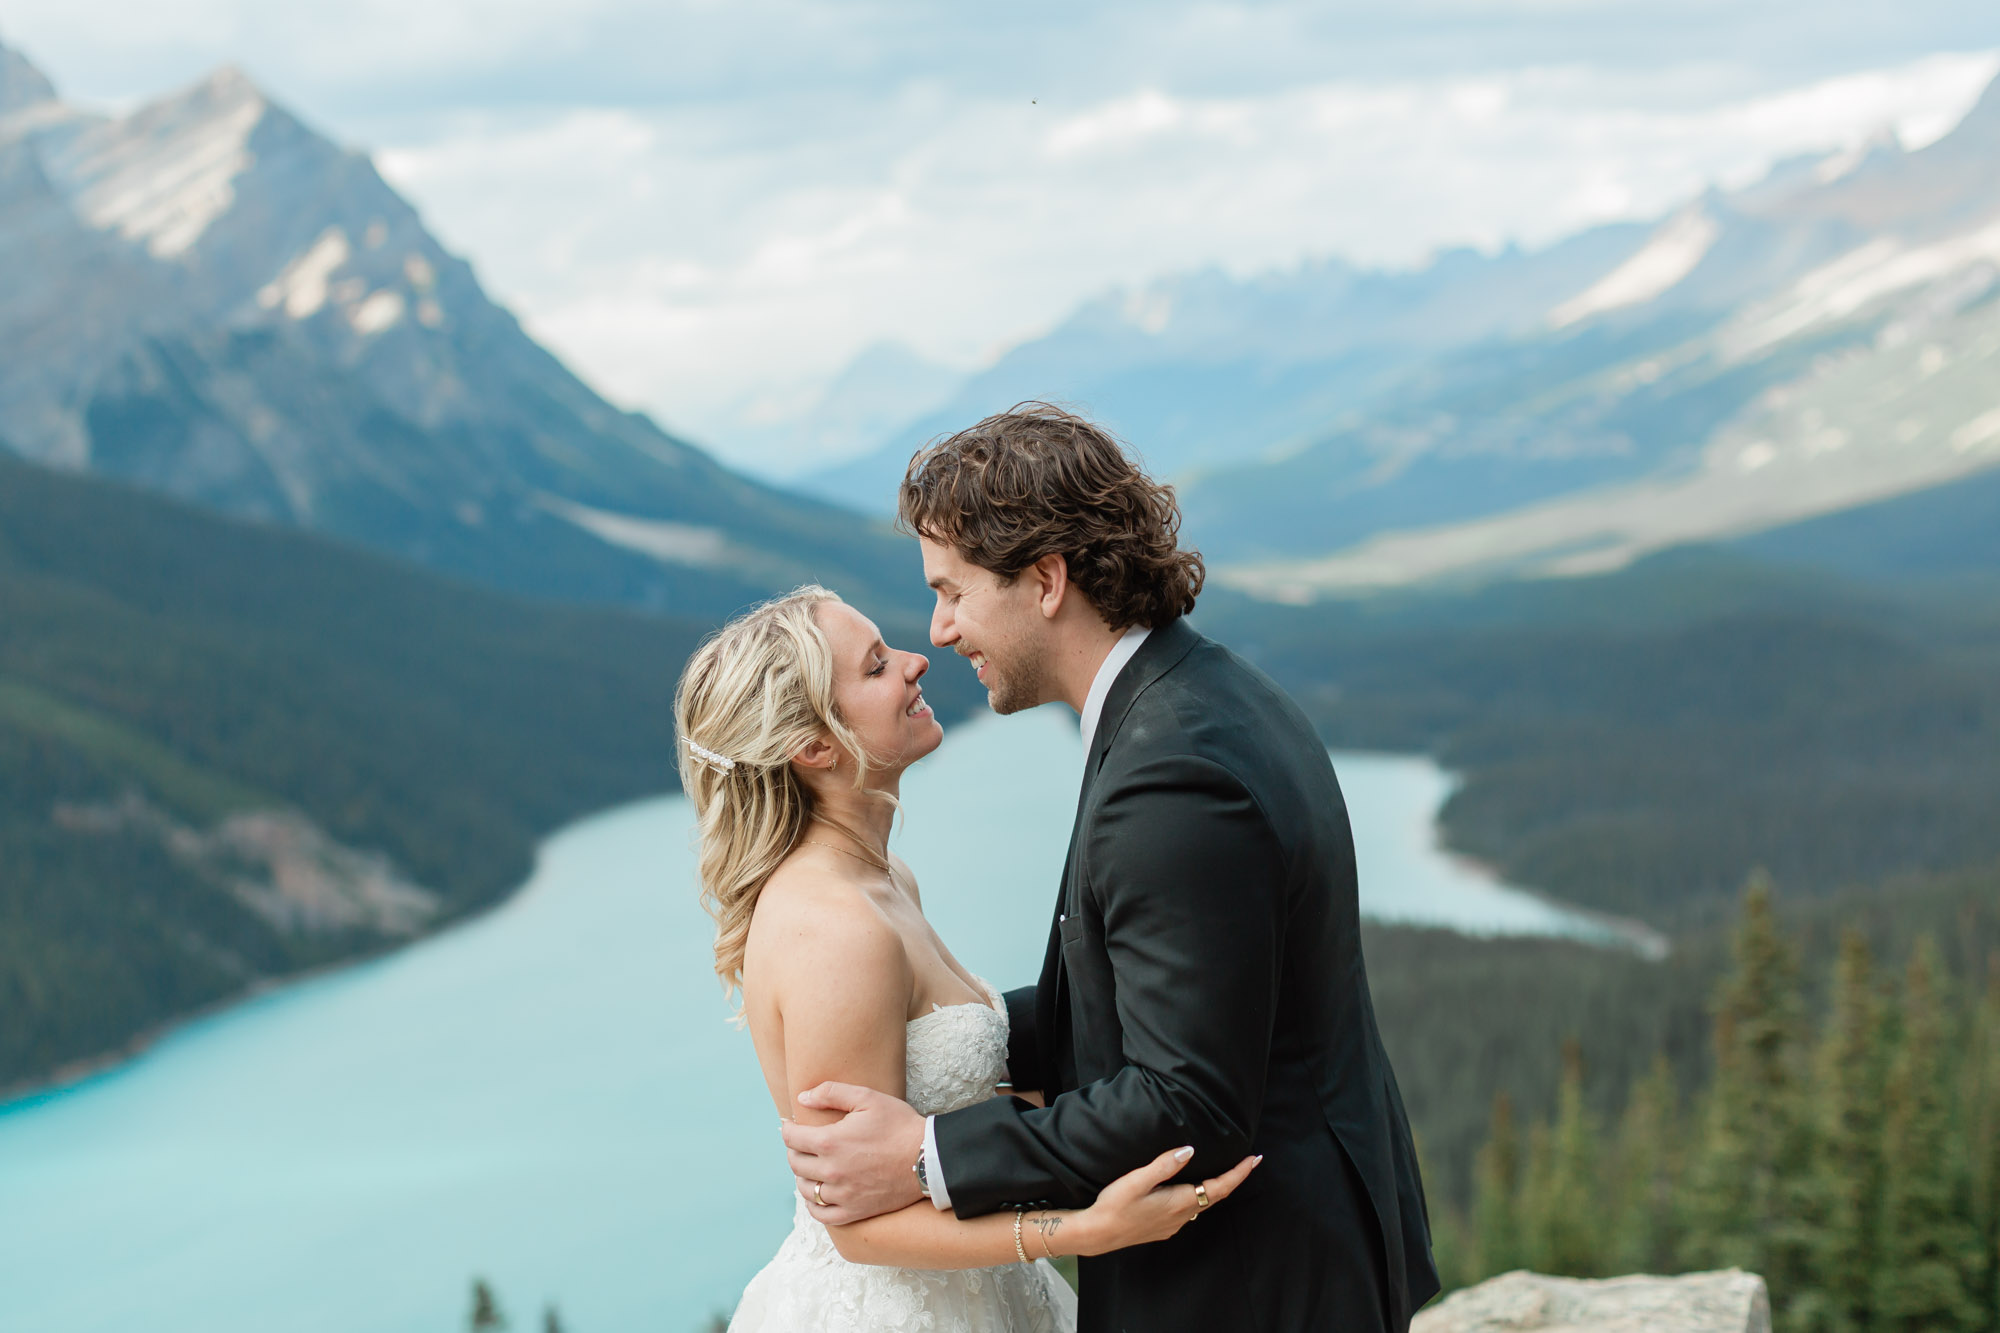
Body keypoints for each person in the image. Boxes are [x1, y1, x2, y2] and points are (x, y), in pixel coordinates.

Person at [778, 404, 1440, 1331]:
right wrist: (956, 1031)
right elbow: (1164, 987)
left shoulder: (1168, 774)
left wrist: (929, 1152)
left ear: (1045, 579)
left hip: (1254, 1287)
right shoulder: (1203, 692)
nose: (942, 628)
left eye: (954, 591)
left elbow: (1187, 1100)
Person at [674, 585, 1260, 1333]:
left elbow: (944, 1100)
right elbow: (853, 1226)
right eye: (878, 665)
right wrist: (1084, 1229)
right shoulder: (834, 931)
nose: (919, 660)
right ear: (817, 746)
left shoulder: (888, 880)